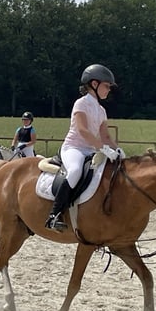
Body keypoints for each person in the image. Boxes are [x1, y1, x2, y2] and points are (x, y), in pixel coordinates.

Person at [45, 64, 125, 231]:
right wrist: (103, 149)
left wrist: (117, 150)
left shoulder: (101, 110)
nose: (108, 90)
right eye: (106, 86)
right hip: (73, 148)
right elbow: (83, 130)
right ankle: (54, 215)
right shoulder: (81, 103)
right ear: (94, 84)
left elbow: (105, 136)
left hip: (90, 150)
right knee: (75, 171)